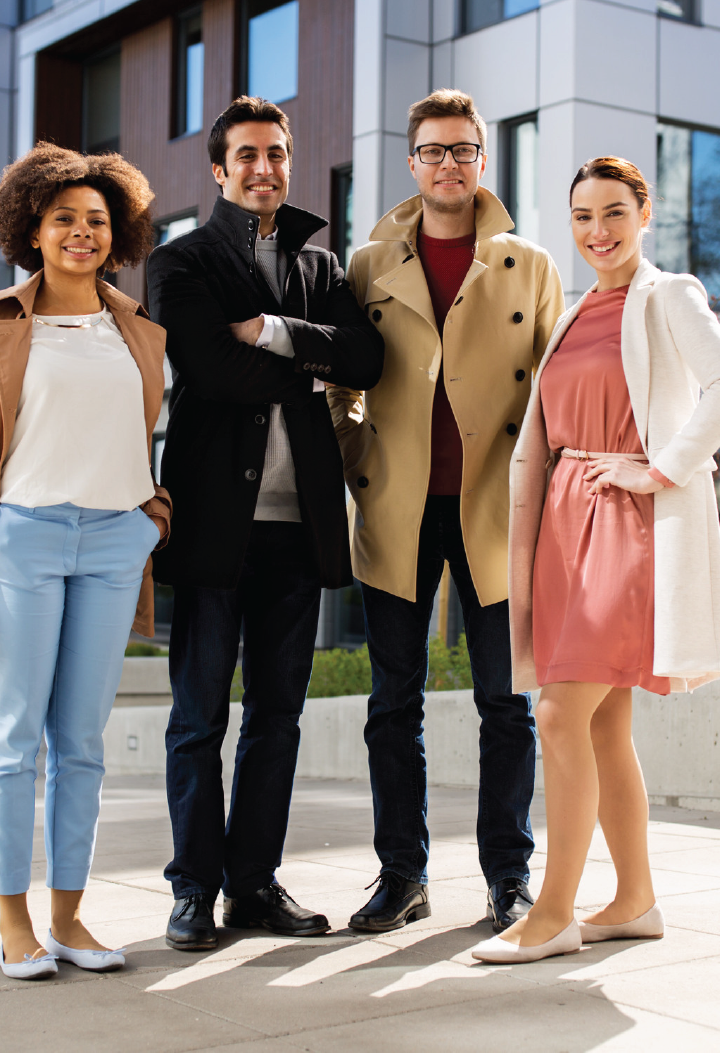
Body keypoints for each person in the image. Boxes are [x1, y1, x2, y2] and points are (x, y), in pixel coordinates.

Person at [147, 95, 384, 951]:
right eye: (245, 155)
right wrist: (311, 367)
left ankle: (253, 887)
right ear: (218, 170)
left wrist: (276, 331)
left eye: (277, 154)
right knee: (198, 719)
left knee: (276, 720)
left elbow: (369, 358)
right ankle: (190, 891)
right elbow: (212, 371)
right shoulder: (181, 264)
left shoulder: (326, 271)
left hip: (298, 528)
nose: (264, 168)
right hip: (215, 526)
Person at [472, 156, 720, 965]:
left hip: (625, 519)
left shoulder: (668, 294)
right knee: (604, 721)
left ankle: (551, 913)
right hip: (563, 520)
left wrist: (662, 468)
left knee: (555, 713)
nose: (597, 231)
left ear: (643, 213)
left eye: (613, 212)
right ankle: (635, 899)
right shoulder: (574, 311)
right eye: (581, 216)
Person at [328, 89, 564, 933]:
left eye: (463, 150)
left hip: (498, 506)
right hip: (395, 504)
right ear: (410, 162)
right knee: (394, 701)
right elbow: (342, 381)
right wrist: (357, 457)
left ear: (482, 162)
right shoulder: (365, 265)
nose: (449, 165)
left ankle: (509, 876)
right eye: (433, 151)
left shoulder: (528, 264)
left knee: (505, 701)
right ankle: (402, 876)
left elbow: (552, 391)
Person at [0, 143, 171, 980]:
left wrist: (154, 514)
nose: (82, 232)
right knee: (12, 737)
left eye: (98, 221)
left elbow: (142, 437)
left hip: (115, 541)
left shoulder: (139, 329)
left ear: (120, 233)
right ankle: (12, 924)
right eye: (64, 219)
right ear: (31, 229)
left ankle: (71, 918)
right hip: (24, 538)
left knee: (80, 742)